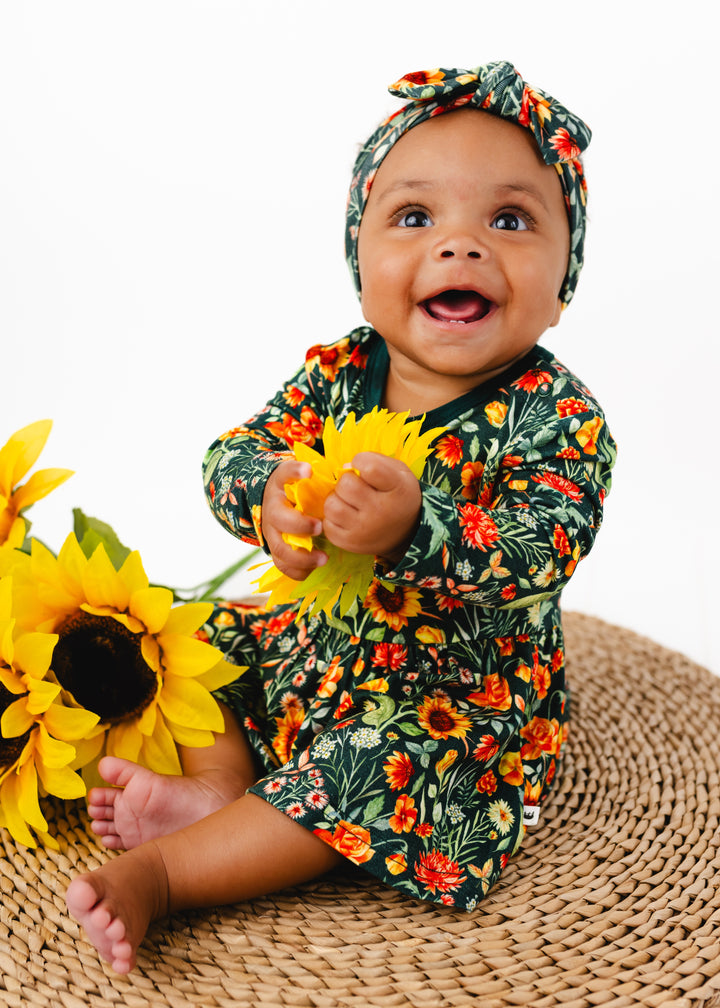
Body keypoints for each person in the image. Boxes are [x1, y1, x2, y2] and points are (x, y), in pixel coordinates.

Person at [66, 59, 617, 974]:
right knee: (185, 632)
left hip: (449, 700)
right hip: (314, 647)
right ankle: (221, 791)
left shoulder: (560, 418)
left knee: (377, 770)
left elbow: (542, 544)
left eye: (510, 220)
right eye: (414, 217)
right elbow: (231, 455)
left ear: (565, 282)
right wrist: (269, 496)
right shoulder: (336, 372)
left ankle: (169, 875)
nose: (461, 246)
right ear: (359, 258)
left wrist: (417, 528)